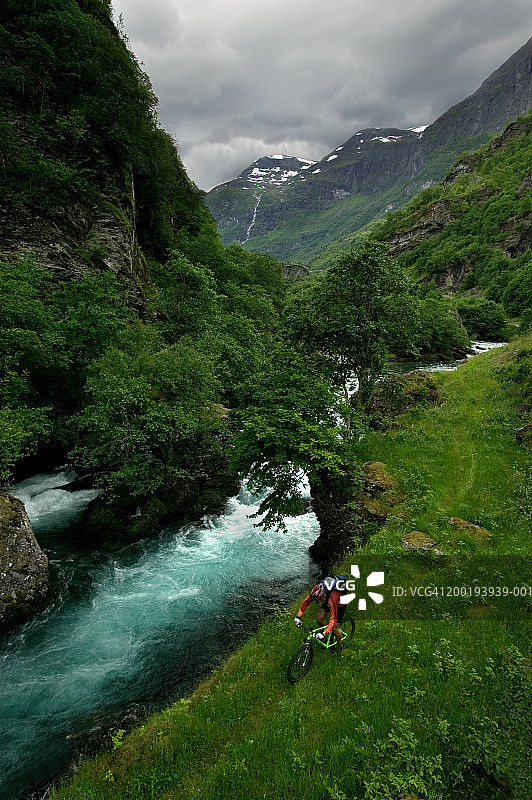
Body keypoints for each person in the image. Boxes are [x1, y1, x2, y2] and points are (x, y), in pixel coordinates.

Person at [294, 578, 346, 652]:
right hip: (327, 600)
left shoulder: (332, 598)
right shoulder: (315, 592)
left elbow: (332, 619)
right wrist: (298, 616)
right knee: (319, 619)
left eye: (319, 600)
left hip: (340, 604)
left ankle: (339, 645)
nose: (319, 602)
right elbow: (306, 602)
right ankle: (326, 636)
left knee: (335, 628)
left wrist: (324, 633)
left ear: (323, 595)